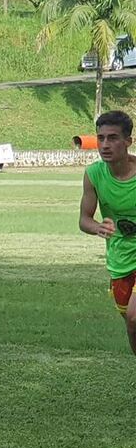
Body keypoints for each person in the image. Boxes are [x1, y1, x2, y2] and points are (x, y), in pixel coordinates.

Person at [80, 109, 136, 356]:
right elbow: (84, 220)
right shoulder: (93, 175)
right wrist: (98, 227)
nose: (104, 144)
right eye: (101, 138)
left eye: (112, 138)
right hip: (120, 259)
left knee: (135, 317)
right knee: (132, 326)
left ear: (128, 141)